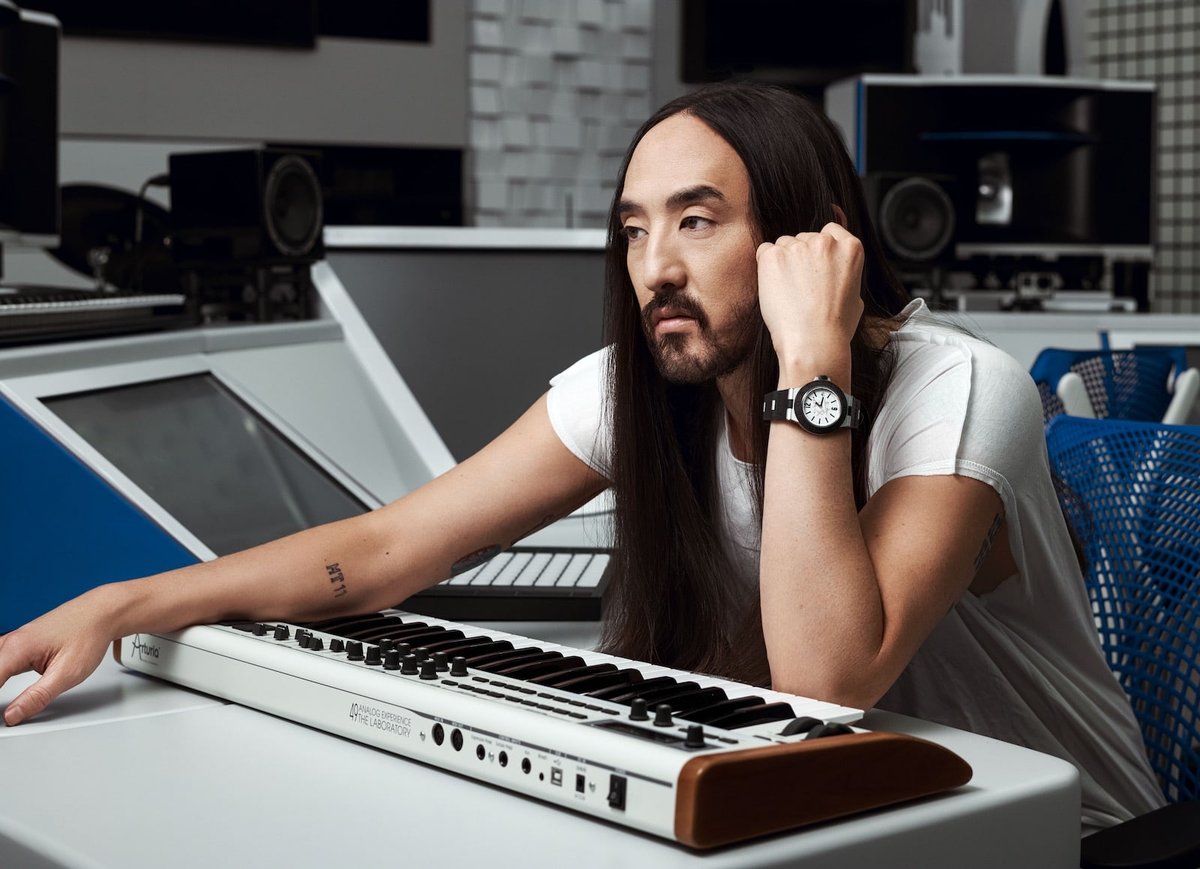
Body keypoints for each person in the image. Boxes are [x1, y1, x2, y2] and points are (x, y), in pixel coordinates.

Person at [0, 82, 1163, 832]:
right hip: (862, 819)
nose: (653, 263)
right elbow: (394, 543)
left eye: (697, 220)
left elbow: (826, 673)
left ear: (809, 238)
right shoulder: (653, 386)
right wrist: (130, 600)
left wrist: (812, 363)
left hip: (1055, 833)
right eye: (634, 225)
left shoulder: (959, 389)